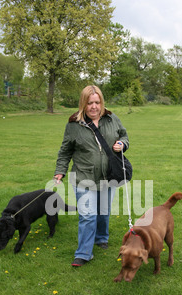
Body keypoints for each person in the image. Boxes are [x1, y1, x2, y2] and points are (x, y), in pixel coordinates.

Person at [54, 85, 129, 267]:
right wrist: (60, 170)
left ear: (101, 102)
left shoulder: (112, 119)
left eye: (97, 102)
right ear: (83, 104)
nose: (94, 107)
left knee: (103, 212)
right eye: (90, 103)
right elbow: (65, 151)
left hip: (108, 176)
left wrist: (121, 144)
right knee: (87, 216)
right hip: (83, 177)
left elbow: (125, 136)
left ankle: (101, 238)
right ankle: (83, 254)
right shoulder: (73, 125)